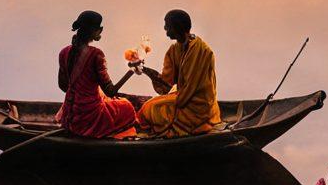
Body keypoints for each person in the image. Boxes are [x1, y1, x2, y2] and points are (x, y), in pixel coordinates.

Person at [136, 9, 221, 137]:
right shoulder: (174, 49)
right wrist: (144, 70)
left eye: (167, 26)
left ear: (177, 27)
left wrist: (174, 103)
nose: (165, 29)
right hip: (182, 96)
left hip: (198, 105)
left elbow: (191, 87)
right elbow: (166, 82)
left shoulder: (201, 50)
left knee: (152, 109)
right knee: (148, 106)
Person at [57, 10, 137, 138]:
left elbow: (63, 86)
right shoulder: (96, 54)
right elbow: (111, 91)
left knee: (103, 96)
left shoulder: (64, 52)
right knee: (127, 107)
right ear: (96, 30)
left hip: (69, 115)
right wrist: (131, 72)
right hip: (90, 117)